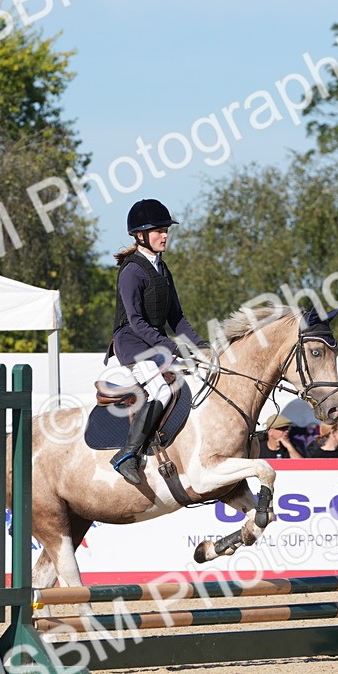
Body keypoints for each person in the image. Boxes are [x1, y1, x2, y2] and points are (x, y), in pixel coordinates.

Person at [105, 199, 210, 484]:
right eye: (158, 231)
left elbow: (177, 318)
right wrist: (174, 347)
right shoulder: (131, 271)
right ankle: (128, 454)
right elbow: (136, 322)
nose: (165, 235)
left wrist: (201, 346)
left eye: (166, 230)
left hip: (153, 342)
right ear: (140, 235)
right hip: (131, 344)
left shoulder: (163, 271)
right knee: (162, 391)